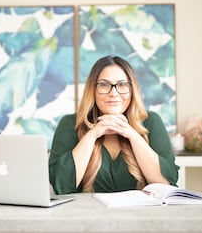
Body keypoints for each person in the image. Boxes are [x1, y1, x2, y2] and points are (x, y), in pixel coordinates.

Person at [49, 55, 178, 194]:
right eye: (104, 85)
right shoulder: (70, 124)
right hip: (87, 214)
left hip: (140, 214)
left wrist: (132, 135)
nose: (114, 93)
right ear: (93, 90)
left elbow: (166, 184)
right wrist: (92, 135)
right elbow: (61, 186)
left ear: (132, 89)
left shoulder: (151, 121)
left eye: (122, 84)